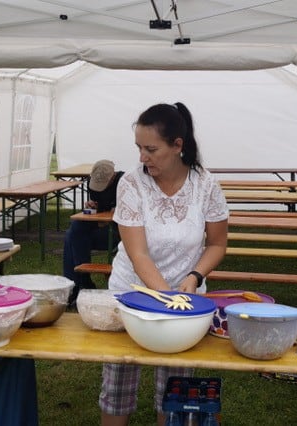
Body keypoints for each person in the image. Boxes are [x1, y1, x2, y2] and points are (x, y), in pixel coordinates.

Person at [100, 102, 229, 426]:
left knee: (175, 393)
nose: (142, 157)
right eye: (139, 148)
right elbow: (138, 254)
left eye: (151, 149)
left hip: (185, 300)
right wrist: (169, 299)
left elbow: (217, 244)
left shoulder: (206, 185)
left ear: (177, 146)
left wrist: (195, 276)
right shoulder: (131, 184)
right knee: (118, 387)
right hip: (132, 294)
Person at [63, 159, 124, 305]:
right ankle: (80, 283)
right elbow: (99, 209)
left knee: (72, 236)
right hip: (100, 228)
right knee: (75, 229)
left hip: (119, 234)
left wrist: (117, 211)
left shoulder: (125, 183)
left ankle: (77, 285)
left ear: (113, 177)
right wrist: (92, 206)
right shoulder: (93, 185)